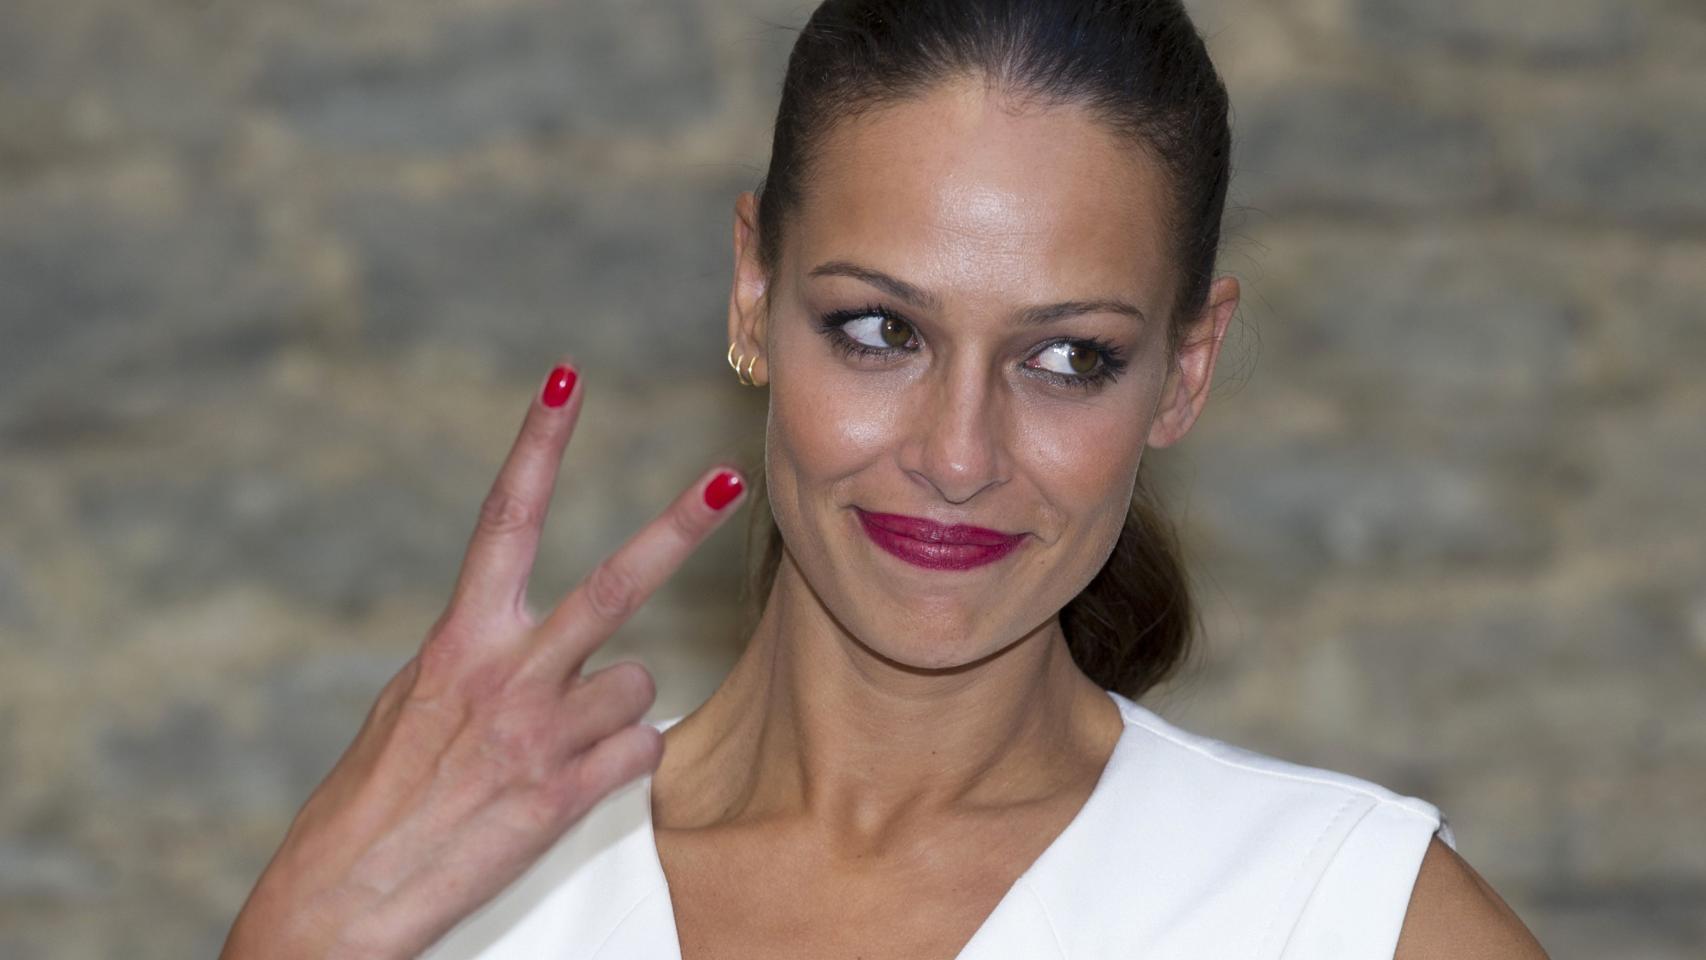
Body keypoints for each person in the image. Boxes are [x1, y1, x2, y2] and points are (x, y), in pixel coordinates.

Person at [221, 1, 1552, 957]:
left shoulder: (1343, 918)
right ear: (753, 295)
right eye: (878, 330)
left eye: (1068, 358)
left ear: (1186, 371)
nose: (956, 455)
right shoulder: (460, 890)